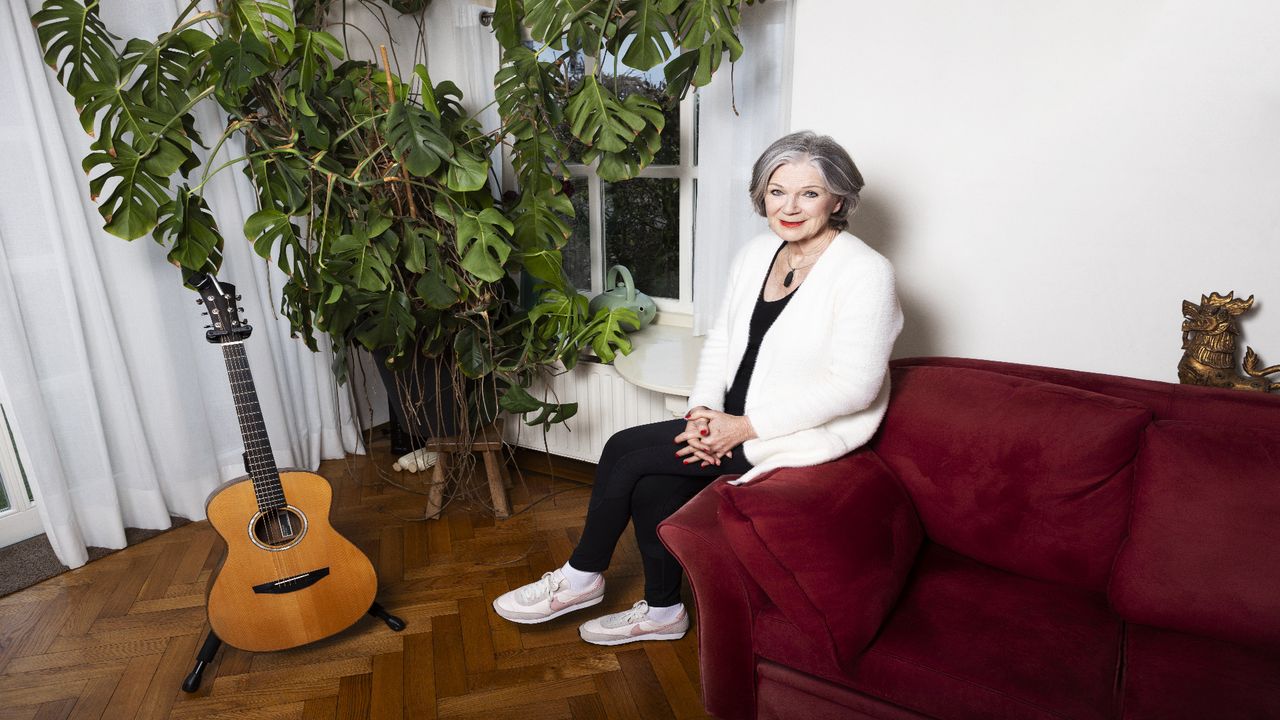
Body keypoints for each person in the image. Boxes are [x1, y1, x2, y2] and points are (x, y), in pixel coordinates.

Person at [492, 130, 904, 645]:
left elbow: (855, 387)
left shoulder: (865, 273)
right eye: (777, 191)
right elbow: (722, 338)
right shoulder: (759, 253)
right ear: (762, 195)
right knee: (652, 485)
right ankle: (665, 613)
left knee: (624, 449)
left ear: (839, 198)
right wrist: (702, 411)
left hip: (790, 435)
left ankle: (581, 577)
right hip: (729, 419)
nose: (790, 206)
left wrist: (743, 428)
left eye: (810, 193)